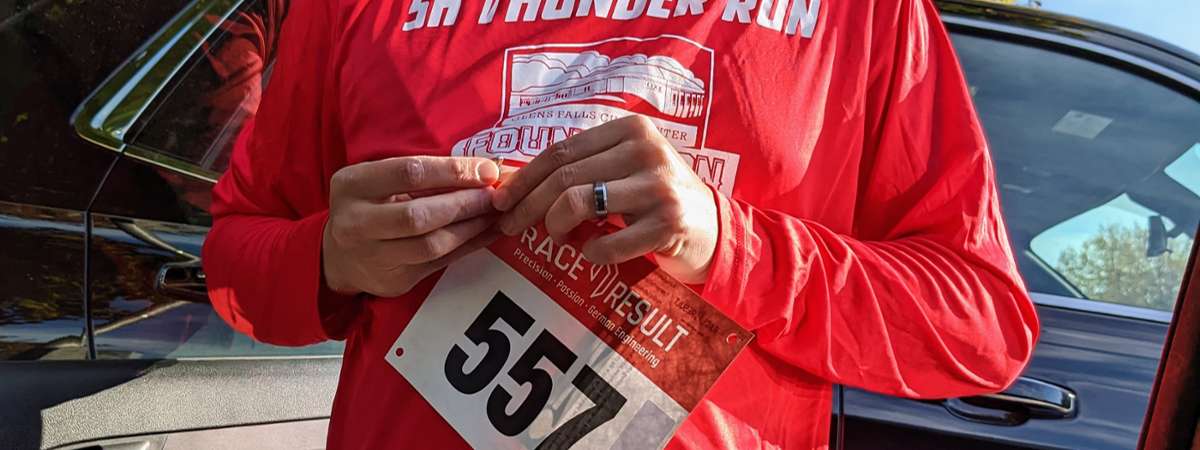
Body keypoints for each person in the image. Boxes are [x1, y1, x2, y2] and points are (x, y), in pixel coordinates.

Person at [202, 0, 1040, 448]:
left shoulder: (866, 14)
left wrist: (726, 240)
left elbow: (978, 326)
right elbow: (235, 261)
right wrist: (329, 258)